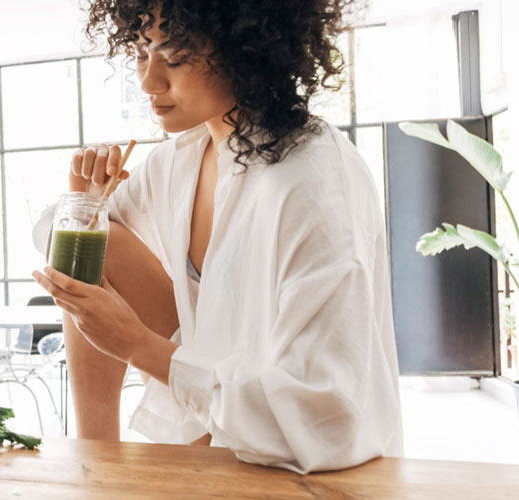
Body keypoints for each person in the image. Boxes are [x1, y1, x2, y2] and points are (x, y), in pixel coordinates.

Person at [31, 0, 403, 473]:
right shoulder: (184, 158)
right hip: (215, 428)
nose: (148, 81)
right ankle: (96, 461)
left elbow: (324, 417)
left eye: (176, 57)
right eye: (144, 52)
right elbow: (53, 235)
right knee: (93, 242)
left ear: (246, 51)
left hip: (308, 466)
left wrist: (138, 345)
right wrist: (83, 201)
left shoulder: (313, 179)